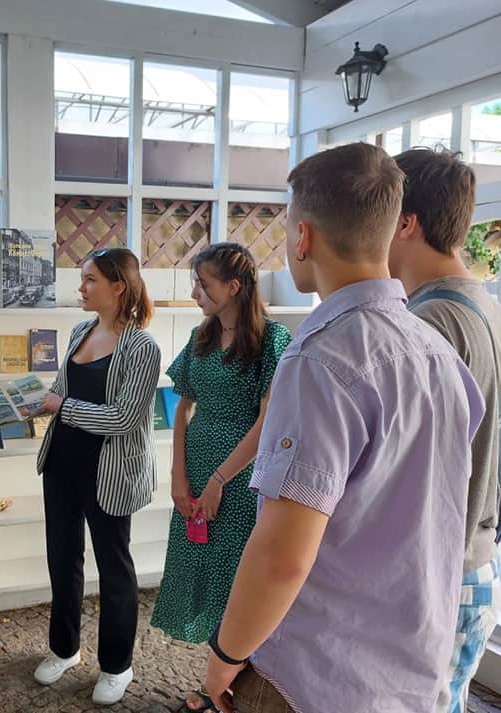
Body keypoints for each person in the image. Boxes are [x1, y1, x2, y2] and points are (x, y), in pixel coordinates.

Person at [203, 143, 485, 713]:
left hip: (315, 674)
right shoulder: (436, 351)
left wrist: (225, 654)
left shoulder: (320, 359)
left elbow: (283, 553)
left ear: (302, 238)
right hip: (408, 670)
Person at [150, 242, 291, 712]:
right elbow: (182, 407)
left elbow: (268, 421)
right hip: (196, 468)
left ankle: (238, 687)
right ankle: (215, 685)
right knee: (204, 571)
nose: (195, 292)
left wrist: (219, 480)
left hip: (242, 477)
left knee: (238, 579)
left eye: (202, 283)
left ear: (232, 287)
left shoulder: (273, 340)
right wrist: (178, 475)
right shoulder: (201, 336)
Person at [389, 147, 501, 713]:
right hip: (476, 565)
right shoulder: (485, 305)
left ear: (405, 223)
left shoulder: (428, 323)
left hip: (437, 576)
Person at [32, 247, 161, 706]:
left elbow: (123, 419)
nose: (81, 287)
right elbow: (60, 391)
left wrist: (62, 406)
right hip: (61, 465)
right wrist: (25, 400)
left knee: (114, 568)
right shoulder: (79, 331)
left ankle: (117, 666)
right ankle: (64, 649)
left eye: (90, 280)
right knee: (62, 560)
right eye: (83, 279)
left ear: (118, 286)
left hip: (110, 473)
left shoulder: (143, 347)